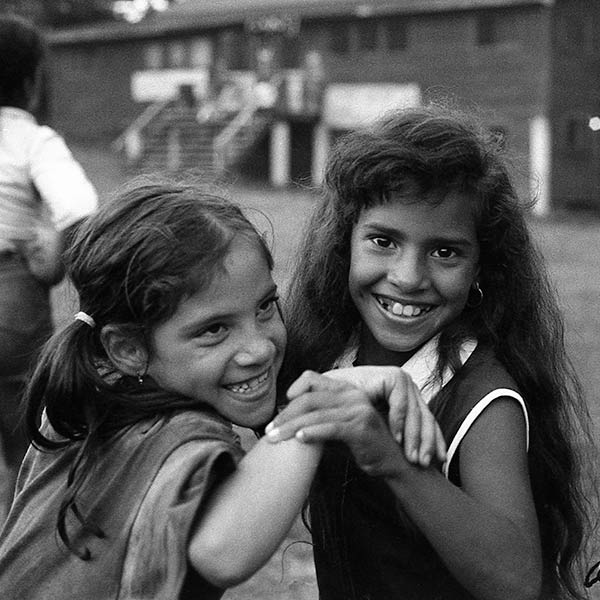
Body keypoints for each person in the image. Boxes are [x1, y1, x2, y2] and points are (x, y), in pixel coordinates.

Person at [0, 179, 443, 599]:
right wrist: (324, 401)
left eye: (266, 307)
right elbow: (223, 555)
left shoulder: (92, 394)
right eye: (214, 330)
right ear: (128, 348)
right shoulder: (175, 431)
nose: (258, 349)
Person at [270, 103, 594, 600]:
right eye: (383, 241)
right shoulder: (326, 352)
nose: (408, 277)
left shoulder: (482, 397)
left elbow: (517, 581)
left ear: (483, 267)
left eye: (445, 252)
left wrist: (394, 460)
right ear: (344, 243)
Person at [0, 14, 98, 516]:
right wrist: (59, 258)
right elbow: (79, 207)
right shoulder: (31, 140)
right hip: (11, 299)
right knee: (26, 448)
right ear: (34, 80)